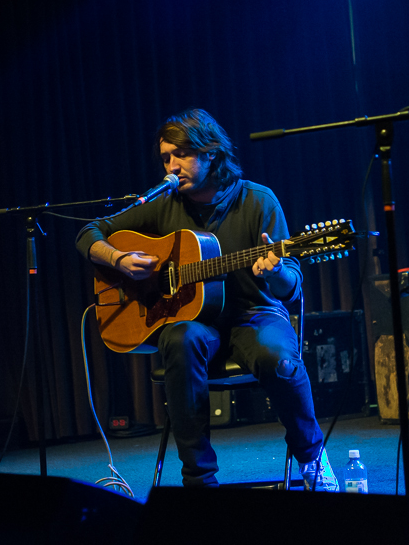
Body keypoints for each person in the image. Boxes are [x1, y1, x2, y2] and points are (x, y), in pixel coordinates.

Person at [76, 107, 337, 490]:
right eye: (165, 157)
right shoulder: (162, 205)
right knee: (179, 339)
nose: (170, 166)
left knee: (277, 359)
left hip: (254, 315)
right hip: (196, 324)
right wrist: (119, 259)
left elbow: (291, 286)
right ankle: (199, 483)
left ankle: (313, 458)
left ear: (210, 153)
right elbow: (89, 232)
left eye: (180, 155)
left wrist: (276, 270)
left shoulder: (258, 201)